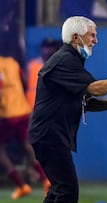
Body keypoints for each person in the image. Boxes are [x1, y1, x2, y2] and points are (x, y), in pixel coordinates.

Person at [29, 16, 107, 203]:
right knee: (67, 191)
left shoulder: (71, 59)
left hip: (51, 136)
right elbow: (97, 88)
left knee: (58, 192)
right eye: (91, 35)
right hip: (49, 136)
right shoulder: (64, 60)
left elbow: (85, 101)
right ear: (76, 38)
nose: (95, 40)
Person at [0, 32, 50, 200]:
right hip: (23, 111)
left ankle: (22, 185)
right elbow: (22, 82)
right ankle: (46, 180)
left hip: (8, 113)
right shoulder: (13, 63)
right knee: (26, 146)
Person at [26, 38, 62, 108]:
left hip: (50, 107)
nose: (49, 50)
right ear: (42, 48)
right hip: (32, 106)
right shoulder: (32, 65)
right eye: (46, 47)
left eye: (51, 48)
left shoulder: (56, 65)